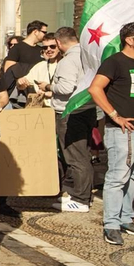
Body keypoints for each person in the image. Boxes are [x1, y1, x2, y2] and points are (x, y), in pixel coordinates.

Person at [89, 22, 134, 246]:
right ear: (130, 40)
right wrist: (114, 115)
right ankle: (111, 224)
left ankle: (125, 218)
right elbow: (95, 88)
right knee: (117, 177)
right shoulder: (114, 62)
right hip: (123, 131)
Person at [50, 28, 93, 213]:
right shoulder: (88, 55)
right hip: (88, 109)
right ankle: (80, 194)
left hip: (70, 112)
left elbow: (66, 87)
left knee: (76, 156)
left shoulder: (68, 60)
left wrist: (49, 85)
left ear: (59, 43)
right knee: (83, 154)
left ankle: (81, 199)